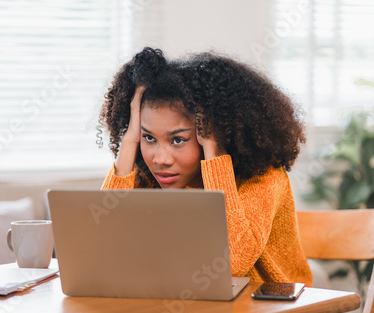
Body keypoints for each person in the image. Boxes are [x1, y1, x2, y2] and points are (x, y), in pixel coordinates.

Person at [96, 47, 313, 286]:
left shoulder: (263, 177)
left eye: (178, 140)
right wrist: (129, 141)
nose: (160, 159)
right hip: (198, 308)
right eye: (149, 138)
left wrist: (214, 151)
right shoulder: (151, 177)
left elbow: (231, 264)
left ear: (215, 134)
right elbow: (102, 248)